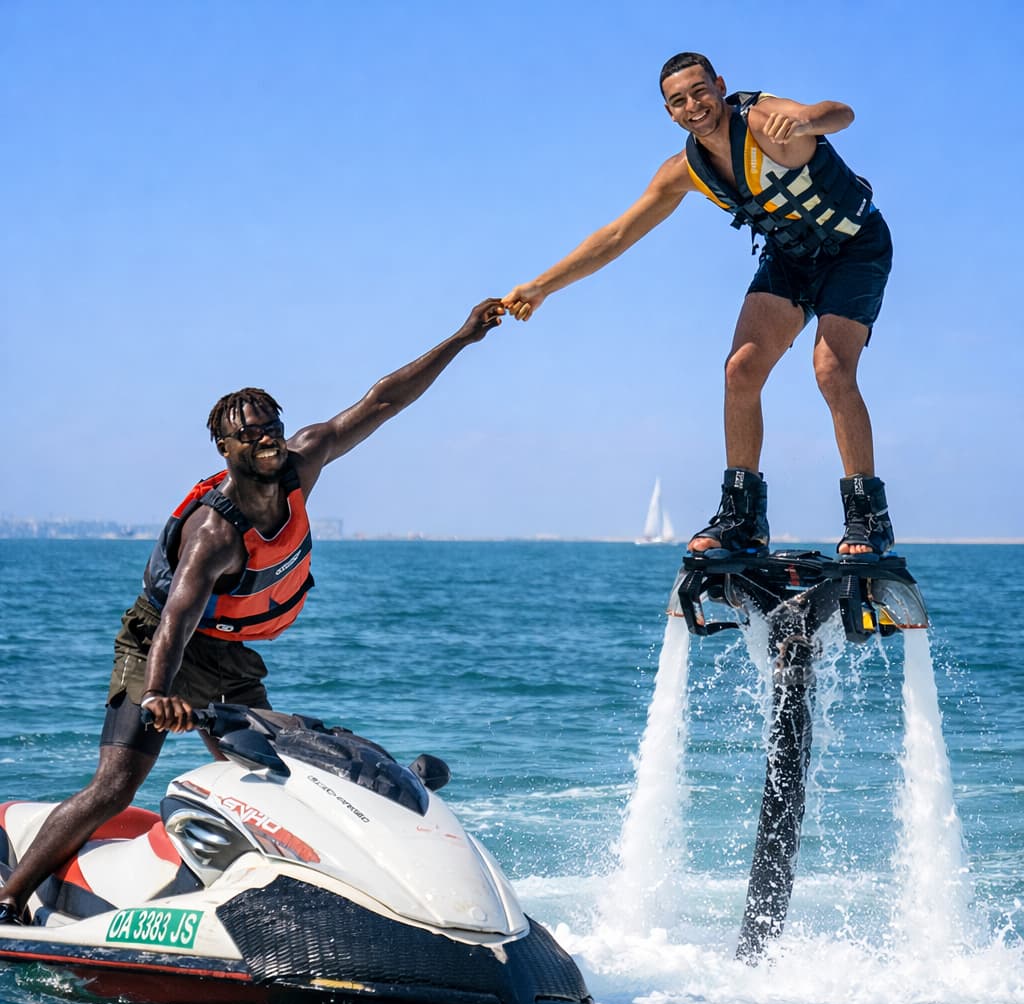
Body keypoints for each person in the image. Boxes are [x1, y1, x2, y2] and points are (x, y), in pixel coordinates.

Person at [0, 298, 505, 925]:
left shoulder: (304, 459)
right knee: (116, 785)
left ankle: (310, 889)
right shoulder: (214, 532)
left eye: (271, 426)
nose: (266, 439)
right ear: (223, 446)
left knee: (279, 770)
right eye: (250, 433)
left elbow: (383, 401)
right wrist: (159, 694)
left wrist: (462, 336)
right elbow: (176, 622)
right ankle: (11, 894)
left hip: (228, 653)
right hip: (158, 646)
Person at [503, 52, 895, 558]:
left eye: (700, 91)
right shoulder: (683, 170)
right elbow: (617, 235)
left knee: (831, 370)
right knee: (741, 370)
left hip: (854, 247)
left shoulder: (763, 121)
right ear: (669, 113)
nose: (693, 105)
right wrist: (540, 287)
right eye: (678, 100)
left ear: (720, 87)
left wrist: (806, 118)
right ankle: (742, 520)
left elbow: (841, 113)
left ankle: (869, 518)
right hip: (793, 257)